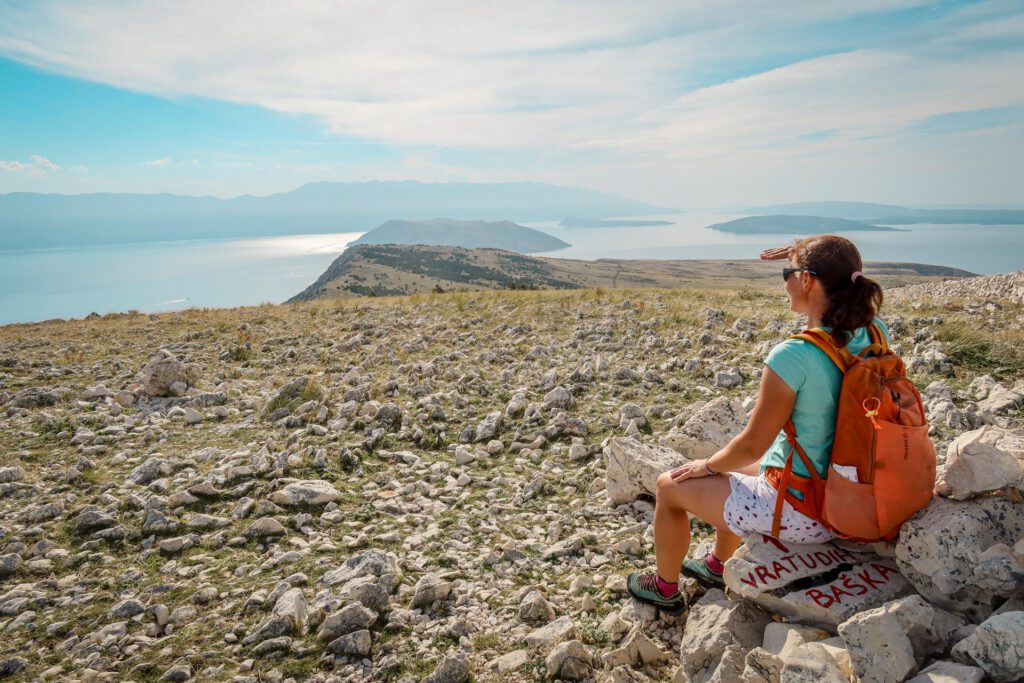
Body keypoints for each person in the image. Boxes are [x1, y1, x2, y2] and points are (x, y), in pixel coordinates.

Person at [625, 234, 888, 614]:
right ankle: (717, 566)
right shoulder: (876, 331)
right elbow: (840, 266)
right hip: (851, 492)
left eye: (788, 273)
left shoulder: (794, 355)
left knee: (671, 486)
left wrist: (707, 466)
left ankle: (664, 588)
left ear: (808, 280)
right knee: (739, 469)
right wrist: (804, 256)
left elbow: (753, 445)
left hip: (805, 511)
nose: (784, 281)